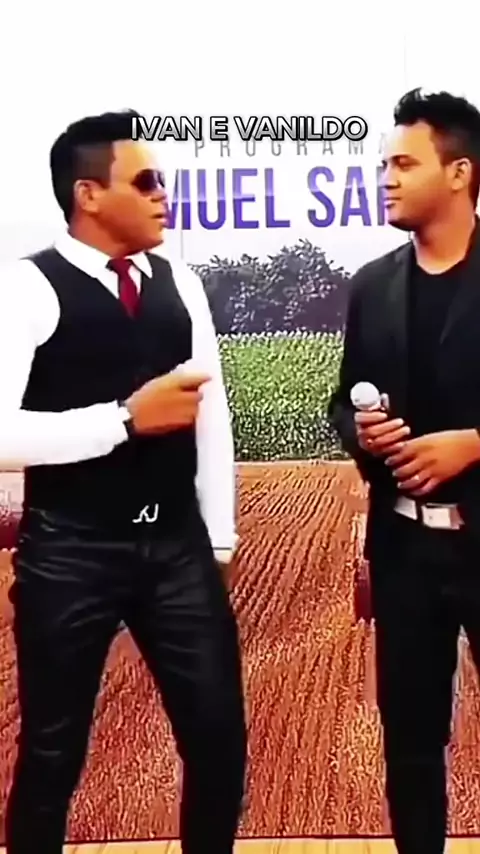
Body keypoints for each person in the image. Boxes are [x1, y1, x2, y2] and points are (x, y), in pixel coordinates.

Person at [1, 109, 246, 854]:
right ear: (89, 195)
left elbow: (211, 415)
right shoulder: (28, 288)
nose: (163, 196)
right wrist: (124, 421)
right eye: (145, 182)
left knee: (219, 741)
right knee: (52, 755)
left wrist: (220, 539)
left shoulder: (181, 283)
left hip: (177, 551)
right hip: (70, 551)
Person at [328, 87, 480, 854]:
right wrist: (362, 433)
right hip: (405, 551)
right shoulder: (372, 285)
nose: (385, 178)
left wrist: (473, 445)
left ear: (459, 172)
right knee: (412, 744)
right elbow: (340, 402)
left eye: (403, 164)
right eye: (383, 164)